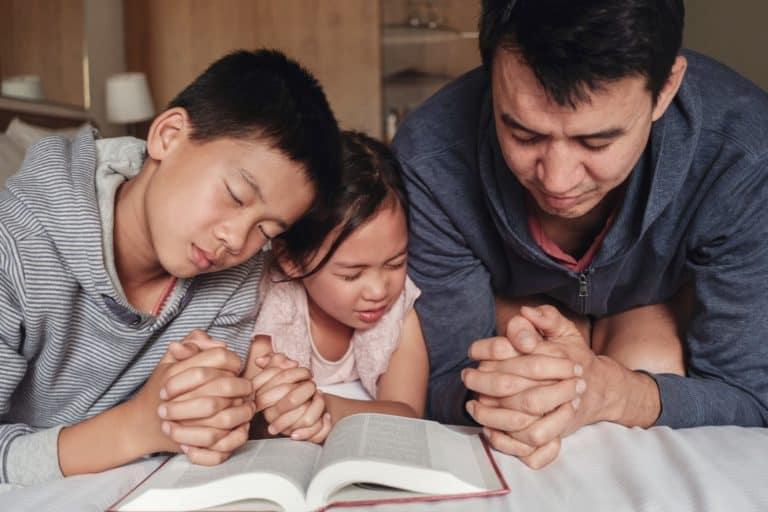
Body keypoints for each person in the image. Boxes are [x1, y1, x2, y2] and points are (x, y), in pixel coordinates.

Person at [392, 0, 768, 469]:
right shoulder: (430, 157)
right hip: (513, 327)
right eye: (524, 135)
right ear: (491, 74)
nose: (558, 181)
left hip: (651, 315)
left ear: (666, 88)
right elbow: (441, 378)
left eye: (597, 142)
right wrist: (525, 388)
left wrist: (617, 393)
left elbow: (749, 399)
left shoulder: (743, 156)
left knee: (653, 355)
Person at [0, 49, 341, 484]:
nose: (237, 240)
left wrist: (251, 410)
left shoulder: (236, 274)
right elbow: (154, 429)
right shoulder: (15, 247)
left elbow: (196, 425)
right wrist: (136, 428)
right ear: (168, 135)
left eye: (267, 231)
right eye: (236, 195)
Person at [243, 131, 429, 443]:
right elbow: (254, 417)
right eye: (352, 275)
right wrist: (280, 412)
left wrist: (328, 408)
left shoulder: (397, 310)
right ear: (291, 260)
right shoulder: (272, 308)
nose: (378, 290)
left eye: (395, 263)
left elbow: (409, 414)